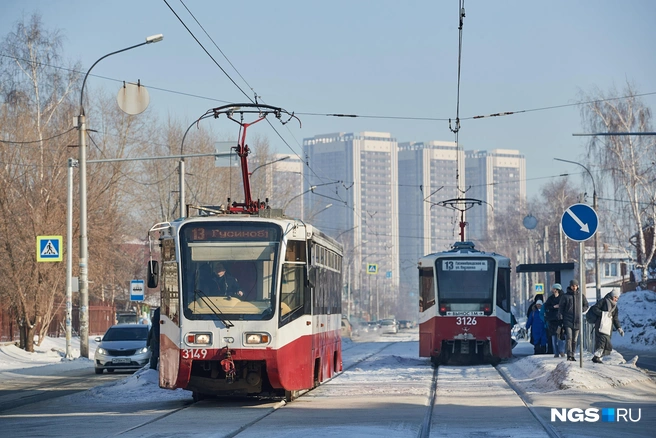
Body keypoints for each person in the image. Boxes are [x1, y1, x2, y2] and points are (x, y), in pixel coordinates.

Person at [589, 289, 624, 364]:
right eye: (615, 297)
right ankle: (597, 356)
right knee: (602, 340)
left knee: (606, 342)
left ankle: (597, 357)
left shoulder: (615, 307)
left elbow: (615, 319)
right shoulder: (603, 301)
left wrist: (619, 328)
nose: (616, 299)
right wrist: (602, 314)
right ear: (611, 296)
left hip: (608, 327)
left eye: (617, 298)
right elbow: (595, 308)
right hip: (600, 325)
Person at [558, 279, 589, 361]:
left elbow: (586, 305)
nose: (574, 287)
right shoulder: (565, 296)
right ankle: (569, 355)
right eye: (573, 286)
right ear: (570, 286)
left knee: (575, 339)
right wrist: (560, 316)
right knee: (569, 338)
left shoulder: (581, 296)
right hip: (567, 320)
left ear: (577, 286)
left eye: (575, 286)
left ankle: (573, 354)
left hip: (577, 321)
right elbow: (561, 308)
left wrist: (581, 310)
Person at [544, 283, 565, 358]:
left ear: (556, 289)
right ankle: (556, 352)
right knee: (554, 337)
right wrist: (553, 307)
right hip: (552, 320)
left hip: (560, 320)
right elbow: (546, 306)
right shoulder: (550, 298)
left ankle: (561, 351)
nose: (552, 290)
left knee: (561, 336)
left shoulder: (563, 297)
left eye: (553, 289)